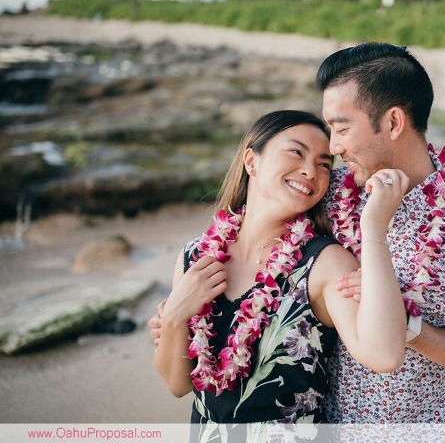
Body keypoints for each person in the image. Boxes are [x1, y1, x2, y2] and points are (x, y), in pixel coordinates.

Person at [152, 109, 407, 439]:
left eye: (324, 164)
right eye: (296, 152)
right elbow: (177, 384)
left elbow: (384, 355)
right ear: (251, 161)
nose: (310, 171)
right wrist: (174, 316)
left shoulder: (325, 263)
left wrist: (374, 227)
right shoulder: (195, 257)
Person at [316, 42, 445, 423]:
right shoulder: (326, 192)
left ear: (393, 122)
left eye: (341, 128)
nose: (332, 146)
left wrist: (405, 323)